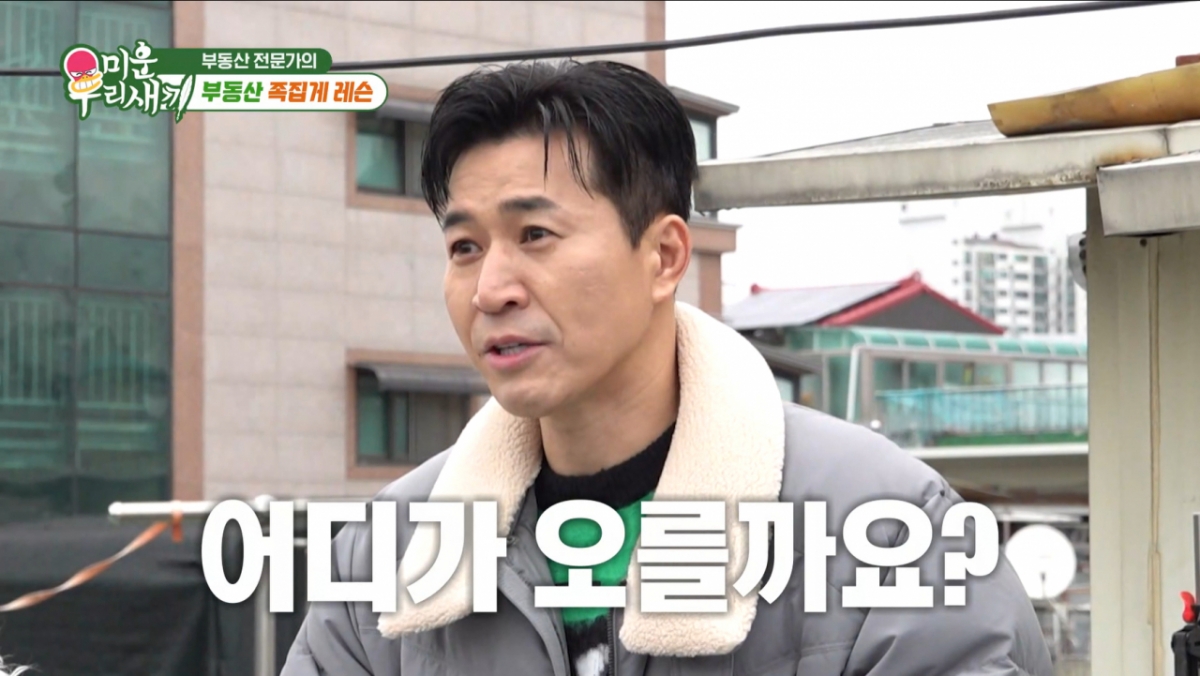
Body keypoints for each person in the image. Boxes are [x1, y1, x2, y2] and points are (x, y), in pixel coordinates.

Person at [281, 59, 1053, 676]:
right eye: (464, 247)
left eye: (536, 235)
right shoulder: (392, 551)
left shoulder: (886, 530)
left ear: (664, 255)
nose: (491, 289)